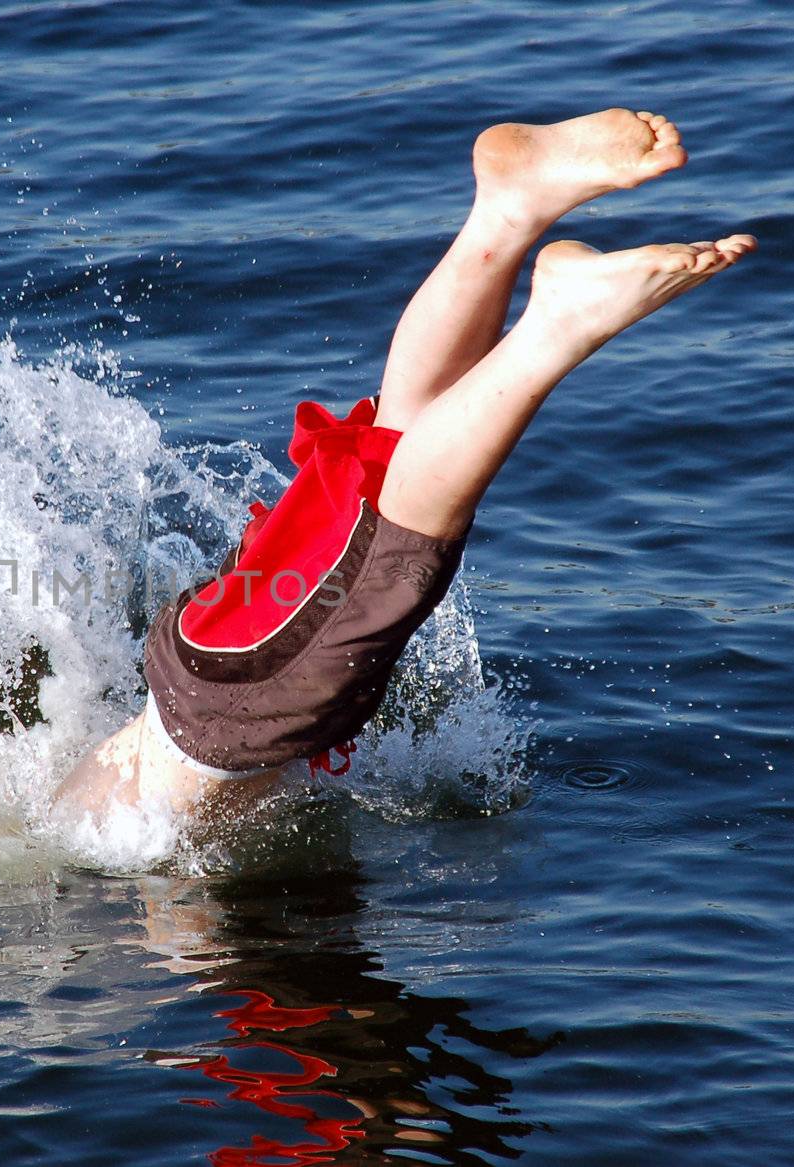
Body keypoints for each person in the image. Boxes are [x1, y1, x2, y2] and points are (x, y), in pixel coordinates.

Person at [50, 108, 756, 830]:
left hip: (231, 702)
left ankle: (557, 327)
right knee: (386, 454)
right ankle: (507, 210)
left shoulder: (87, 842)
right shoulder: (66, 801)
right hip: (213, 647)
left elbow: (176, 924)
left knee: (396, 549)